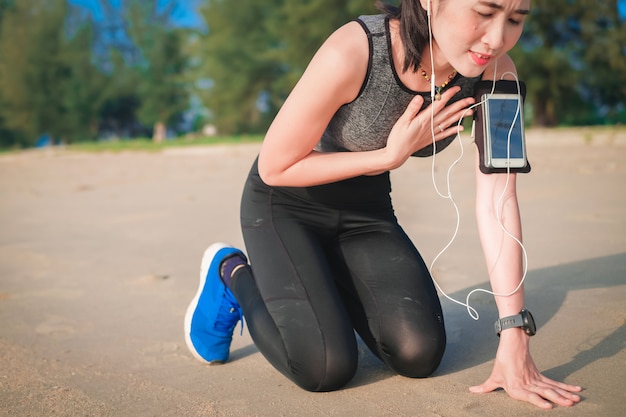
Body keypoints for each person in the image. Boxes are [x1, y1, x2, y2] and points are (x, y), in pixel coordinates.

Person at [184, 0, 582, 409]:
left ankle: (322, 282)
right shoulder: (356, 49)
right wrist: (386, 158)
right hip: (285, 204)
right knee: (325, 367)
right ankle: (230, 273)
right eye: (484, 12)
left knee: (419, 353)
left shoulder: (498, 73)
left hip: (365, 212)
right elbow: (275, 166)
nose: (497, 38)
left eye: (515, 20)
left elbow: (499, 198)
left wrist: (515, 336)